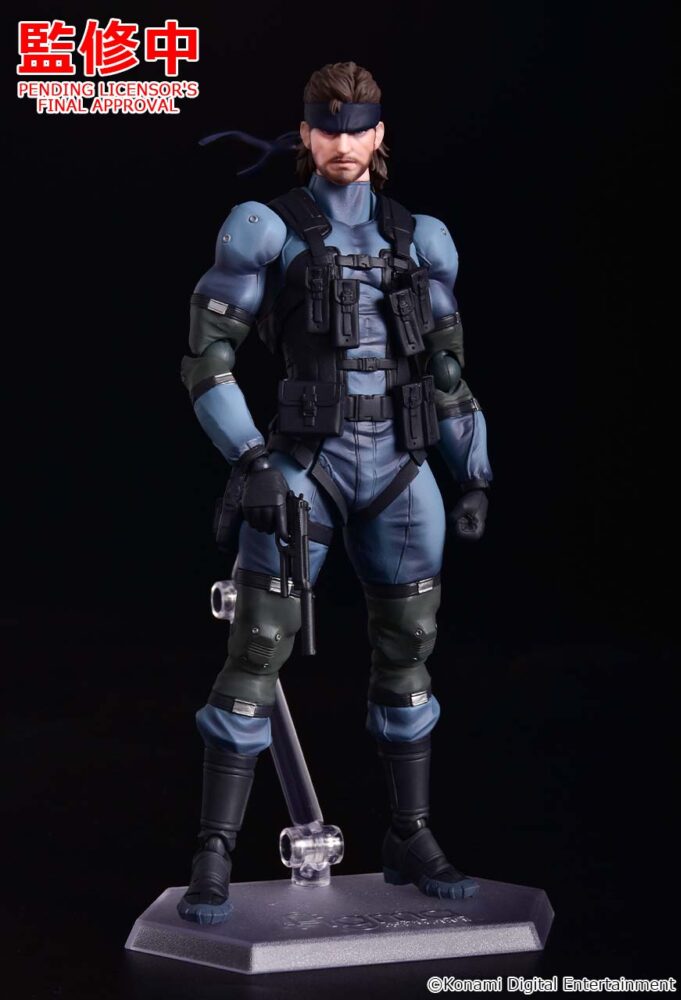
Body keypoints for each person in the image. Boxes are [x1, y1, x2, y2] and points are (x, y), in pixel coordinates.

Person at [178, 61, 493, 925]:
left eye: (358, 127)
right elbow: (207, 359)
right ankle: (212, 853)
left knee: (410, 646)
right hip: (302, 468)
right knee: (256, 648)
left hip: (401, 467)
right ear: (305, 134)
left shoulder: (422, 238)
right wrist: (249, 458)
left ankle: (409, 835)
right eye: (328, 126)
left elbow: (448, 374)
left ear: (379, 133)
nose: (344, 142)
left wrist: (474, 473)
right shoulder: (263, 227)